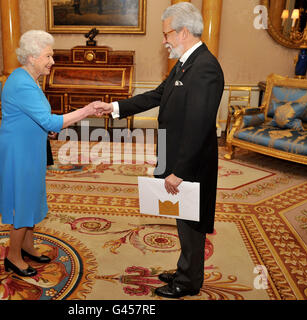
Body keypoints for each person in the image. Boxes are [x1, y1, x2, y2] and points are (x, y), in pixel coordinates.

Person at [95, 3, 224, 298]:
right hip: (174, 153)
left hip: (190, 163)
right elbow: (157, 95)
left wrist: (181, 171)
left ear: (183, 32)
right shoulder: (184, 63)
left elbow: (199, 125)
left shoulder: (205, 68)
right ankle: (185, 270)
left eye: (167, 34)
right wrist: (114, 107)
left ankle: (189, 282)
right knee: (182, 218)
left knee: (192, 222)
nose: (164, 40)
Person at [0, 30, 102, 277]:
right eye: (48, 56)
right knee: (22, 201)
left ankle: (27, 246)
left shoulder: (27, 77)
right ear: (32, 57)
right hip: (19, 151)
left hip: (29, 145)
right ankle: (13, 257)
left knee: (31, 196)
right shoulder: (22, 82)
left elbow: (35, 118)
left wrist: (44, 129)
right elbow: (52, 121)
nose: (52, 61)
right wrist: (86, 110)